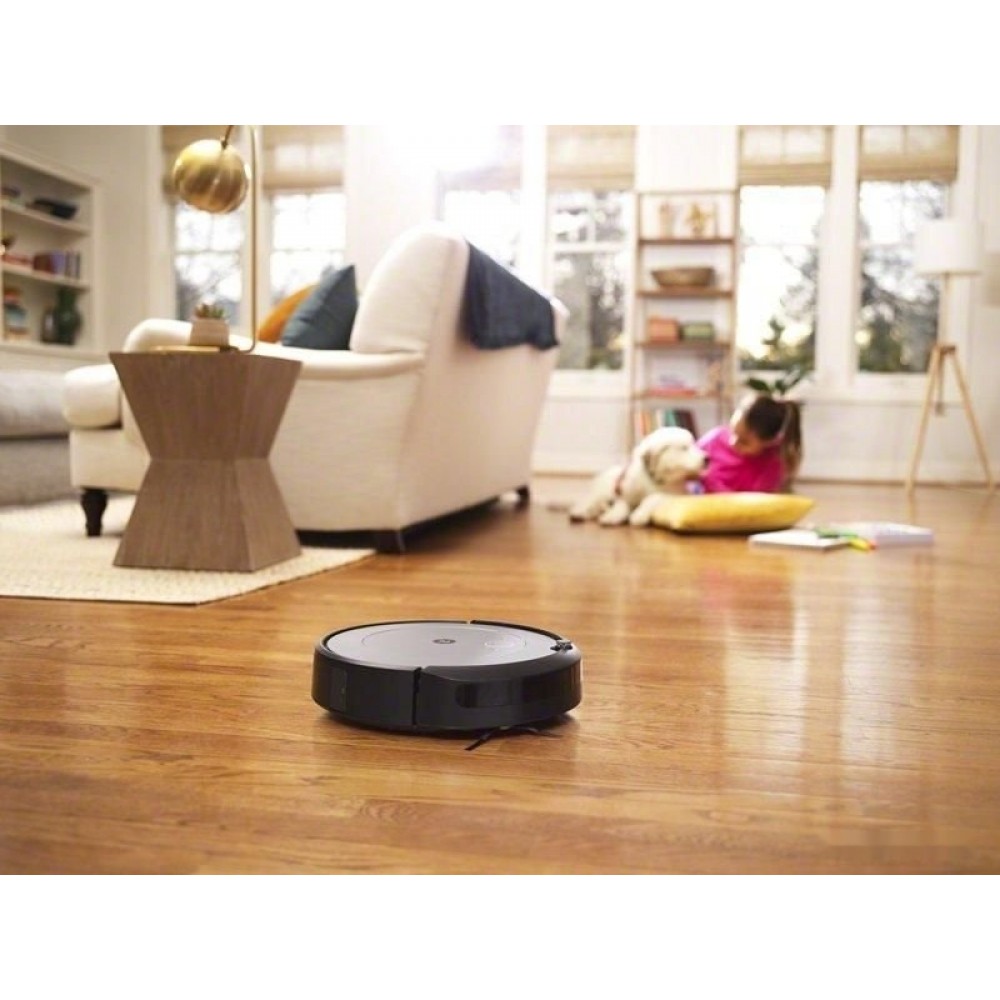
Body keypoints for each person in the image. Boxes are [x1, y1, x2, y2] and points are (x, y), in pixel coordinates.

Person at [696, 394, 803, 494]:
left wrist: (713, 484)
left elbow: (754, 503)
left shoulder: (772, 465)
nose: (733, 442)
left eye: (744, 441)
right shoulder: (713, 439)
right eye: (733, 431)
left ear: (769, 442)